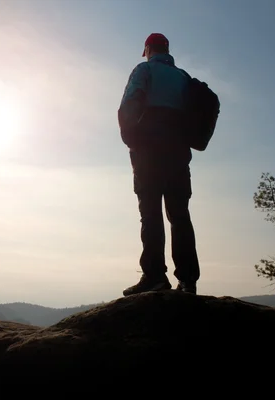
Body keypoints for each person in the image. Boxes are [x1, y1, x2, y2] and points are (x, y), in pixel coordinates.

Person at [118, 33, 200, 296]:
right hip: (178, 152)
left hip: (149, 152)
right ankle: (187, 281)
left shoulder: (144, 70)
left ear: (148, 49)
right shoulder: (184, 77)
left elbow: (129, 104)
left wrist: (130, 139)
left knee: (151, 213)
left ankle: (154, 277)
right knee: (179, 215)